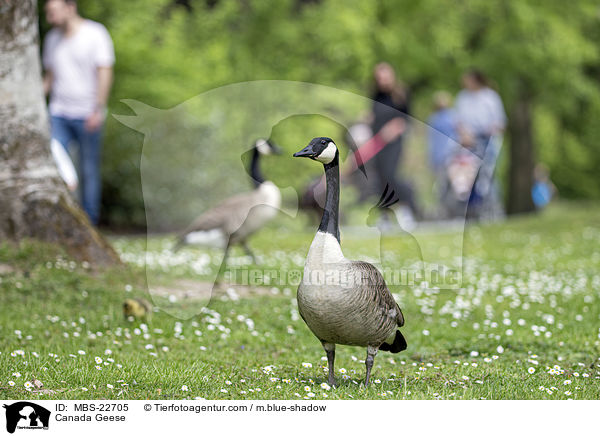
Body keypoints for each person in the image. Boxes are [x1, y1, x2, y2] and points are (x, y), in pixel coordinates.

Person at [42, 0, 115, 225]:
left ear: (70, 7)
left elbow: (104, 72)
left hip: (87, 114)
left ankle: (89, 223)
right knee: (54, 160)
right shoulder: (52, 39)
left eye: (53, 12)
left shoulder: (95, 34)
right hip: (58, 113)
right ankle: (60, 219)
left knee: (89, 170)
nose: (49, 18)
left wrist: (98, 108)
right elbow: (50, 79)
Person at [370, 62, 418, 230]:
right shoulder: (375, 94)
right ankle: (384, 214)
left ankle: (405, 208)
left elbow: (407, 119)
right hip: (377, 141)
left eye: (385, 77)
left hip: (394, 142)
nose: (382, 81)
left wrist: (395, 128)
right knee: (380, 177)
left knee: (391, 174)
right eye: (379, 78)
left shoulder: (401, 94)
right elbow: (373, 115)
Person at [455, 69, 506, 220]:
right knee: (468, 176)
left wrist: (492, 130)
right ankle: (471, 212)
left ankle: (492, 210)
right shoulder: (462, 98)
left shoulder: (490, 97)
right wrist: (464, 134)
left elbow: (500, 122)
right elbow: (458, 120)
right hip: (469, 141)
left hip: (487, 139)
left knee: (488, 175)